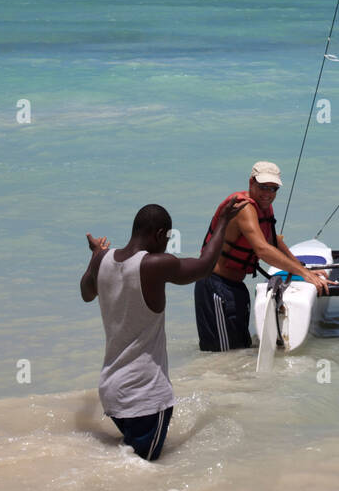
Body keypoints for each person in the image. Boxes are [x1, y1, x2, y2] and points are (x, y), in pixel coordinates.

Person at [80, 197, 242, 460]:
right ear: (158, 235)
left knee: (128, 462)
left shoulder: (102, 260)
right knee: (143, 472)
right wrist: (223, 222)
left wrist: (95, 255)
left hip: (112, 393)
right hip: (144, 398)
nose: (166, 245)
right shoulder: (154, 265)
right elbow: (204, 267)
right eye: (166, 239)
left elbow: (86, 293)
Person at [194, 161, 334, 352]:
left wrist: (304, 270)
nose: (268, 193)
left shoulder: (263, 207)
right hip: (215, 287)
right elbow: (263, 250)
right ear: (251, 182)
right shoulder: (243, 207)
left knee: (239, 350)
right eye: (263, 187)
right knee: (221, 355)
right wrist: (304, 273)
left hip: (235, 288)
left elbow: (272, 241)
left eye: (273, 189)